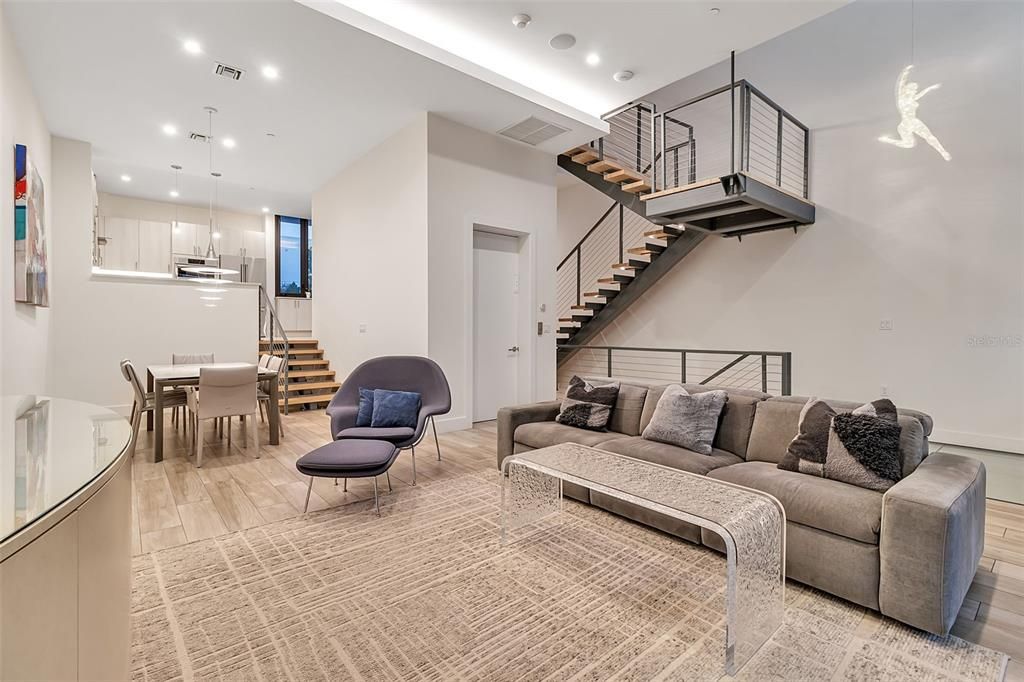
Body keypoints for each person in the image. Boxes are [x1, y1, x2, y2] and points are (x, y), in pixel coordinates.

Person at [878, 65, 951, 161]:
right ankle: (887, 140)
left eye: (915, 90)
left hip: (914, 122)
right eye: (912, 89)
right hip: (905, 124)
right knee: (909, 144)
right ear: (907, 90)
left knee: (930, 137)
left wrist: (930, 89)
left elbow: (921, 94)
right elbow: (900, 85)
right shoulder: (902, 98)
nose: (914, 91)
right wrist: (905, 72)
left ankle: (943, 152)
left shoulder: (912, 99)